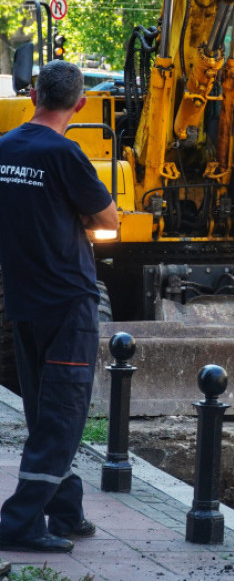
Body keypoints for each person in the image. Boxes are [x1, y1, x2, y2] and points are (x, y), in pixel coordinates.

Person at [0, 61, 118, 553]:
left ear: (33, 96)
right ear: (81, 104)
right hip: (69, 302)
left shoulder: (3, 148)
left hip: (23, 300)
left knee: (42, 409)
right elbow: (108, 217)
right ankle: (19, 523)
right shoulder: (66, 155)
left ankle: (64, 511)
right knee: (64, 415)